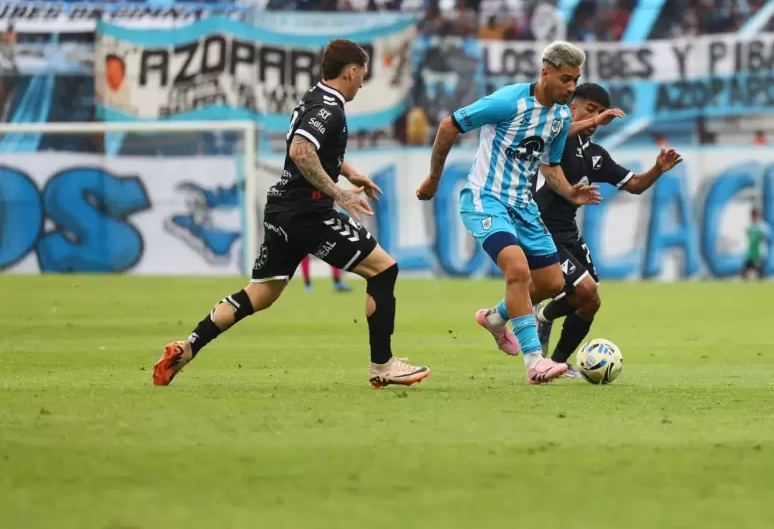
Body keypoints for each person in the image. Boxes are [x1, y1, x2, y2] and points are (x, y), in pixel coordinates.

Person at [153, 39, 430, 389]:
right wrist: (338, 193)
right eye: (363, 74)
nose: (362, 81)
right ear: (352, 71)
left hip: (283, 209)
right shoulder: (330, 108)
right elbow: (301, 151)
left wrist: (349, 173)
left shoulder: (314, 99)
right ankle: (382, 366)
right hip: (307, 212)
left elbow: (312, 149)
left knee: (260, 294)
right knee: (384, 270)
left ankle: (189, 346)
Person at [416, 42, 601, 384]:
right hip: (486, 199)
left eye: (576, 79)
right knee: (517, 268)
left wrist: (570, 191)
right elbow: (448, 125)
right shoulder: (507, 101)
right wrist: (433, 179)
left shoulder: (560, 116)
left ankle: (495, 319)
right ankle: (535, 363)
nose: (572, 88)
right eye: (566, 79)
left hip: (524, 208)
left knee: (551, 283)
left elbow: (551, 164)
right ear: (545, 73)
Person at [532, 83, 683, 373]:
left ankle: (556, 362)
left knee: (590, 301)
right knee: (584, 288)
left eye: (602, 113)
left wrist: (657, 170)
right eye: (591, 110)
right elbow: (549, 146)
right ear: (572, 107)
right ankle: (522, 313)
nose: (598, 119)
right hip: (541, 230)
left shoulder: (595, 155)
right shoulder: (555, 139)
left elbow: (635, 185)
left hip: (568, 234)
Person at [743, 208, 771, 280]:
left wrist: (763, 236)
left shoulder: (762, 226)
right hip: (750, 253)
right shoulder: (749, 226)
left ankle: (761, 288)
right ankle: (745, 290)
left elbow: (768, 239)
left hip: (759, 254)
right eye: (752, 215)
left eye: (754, 215)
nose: (753, 217)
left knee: (759, 273)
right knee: (745, 273)